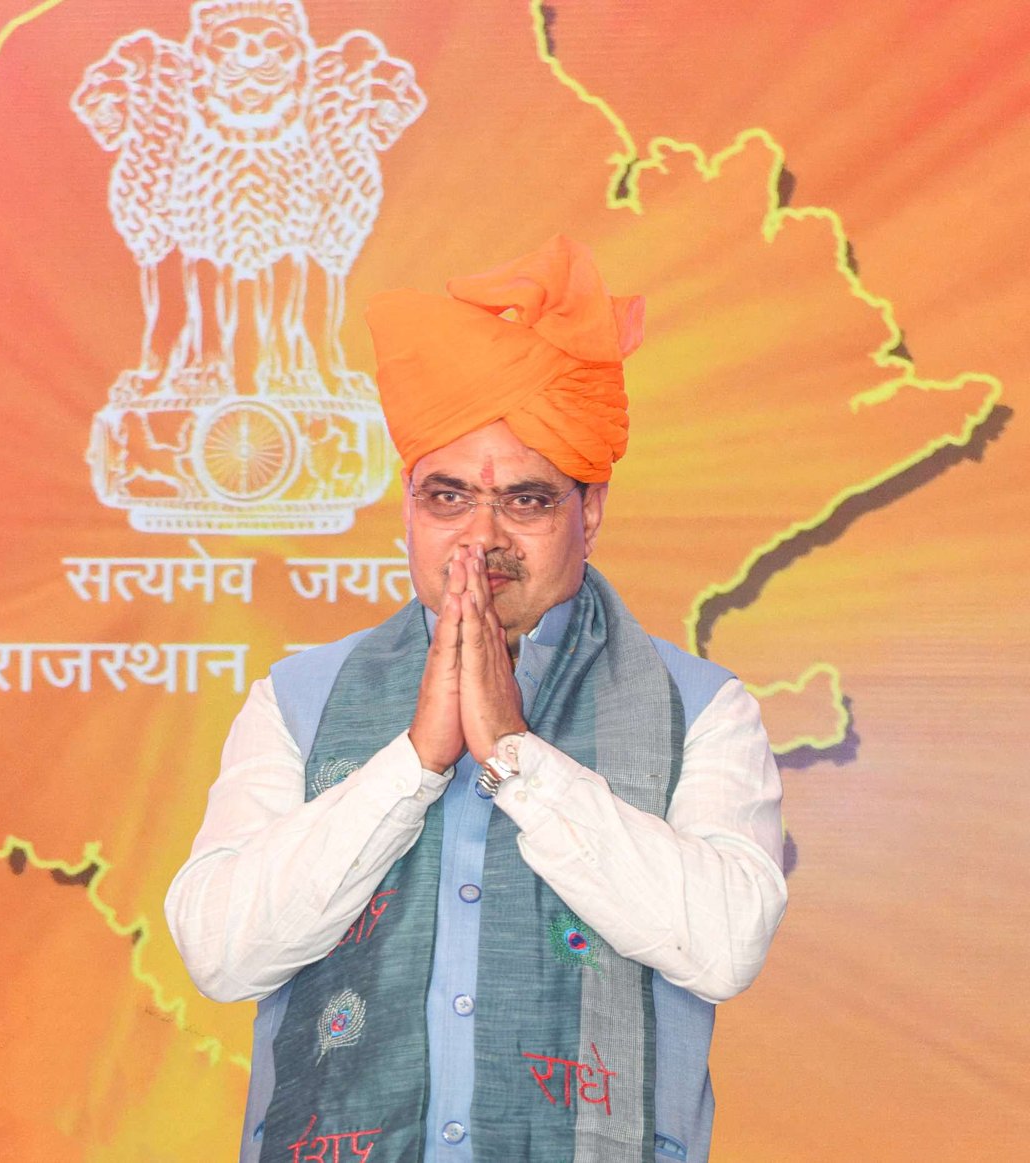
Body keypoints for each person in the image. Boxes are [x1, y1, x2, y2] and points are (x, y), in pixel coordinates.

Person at [164, 235, 788, 1163]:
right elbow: (220, 953)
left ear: (591, 510)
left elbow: (727, 943)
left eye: (526, 502)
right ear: (407, 506)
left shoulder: (701, 709)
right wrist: (414, 763)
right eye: (447, 498)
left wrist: (516, 760)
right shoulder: (297, 699)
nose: (480, 538)